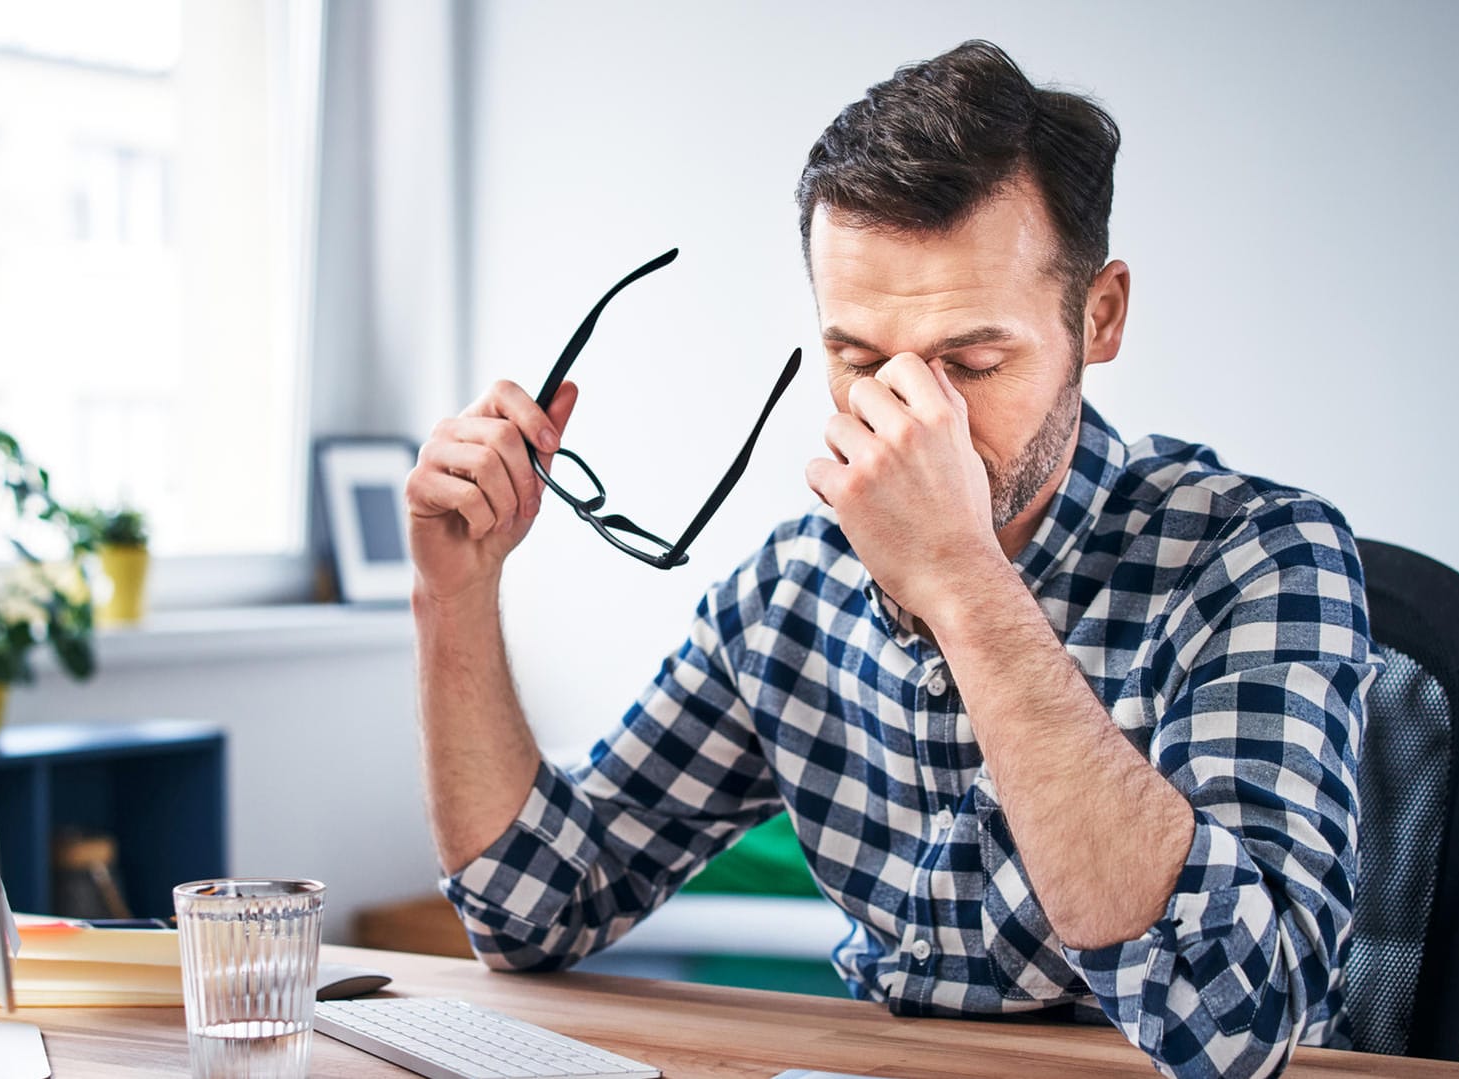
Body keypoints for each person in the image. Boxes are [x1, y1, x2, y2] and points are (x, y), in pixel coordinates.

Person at [404, 39, 1378, 1079]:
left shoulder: (1259, 557)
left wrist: (962, 578)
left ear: (1099, 317)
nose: (914, 420)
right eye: (859, 360)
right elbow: (531, 907)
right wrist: (453, 595)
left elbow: (1242, 1019)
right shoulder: (790, 593)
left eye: (973, 361)